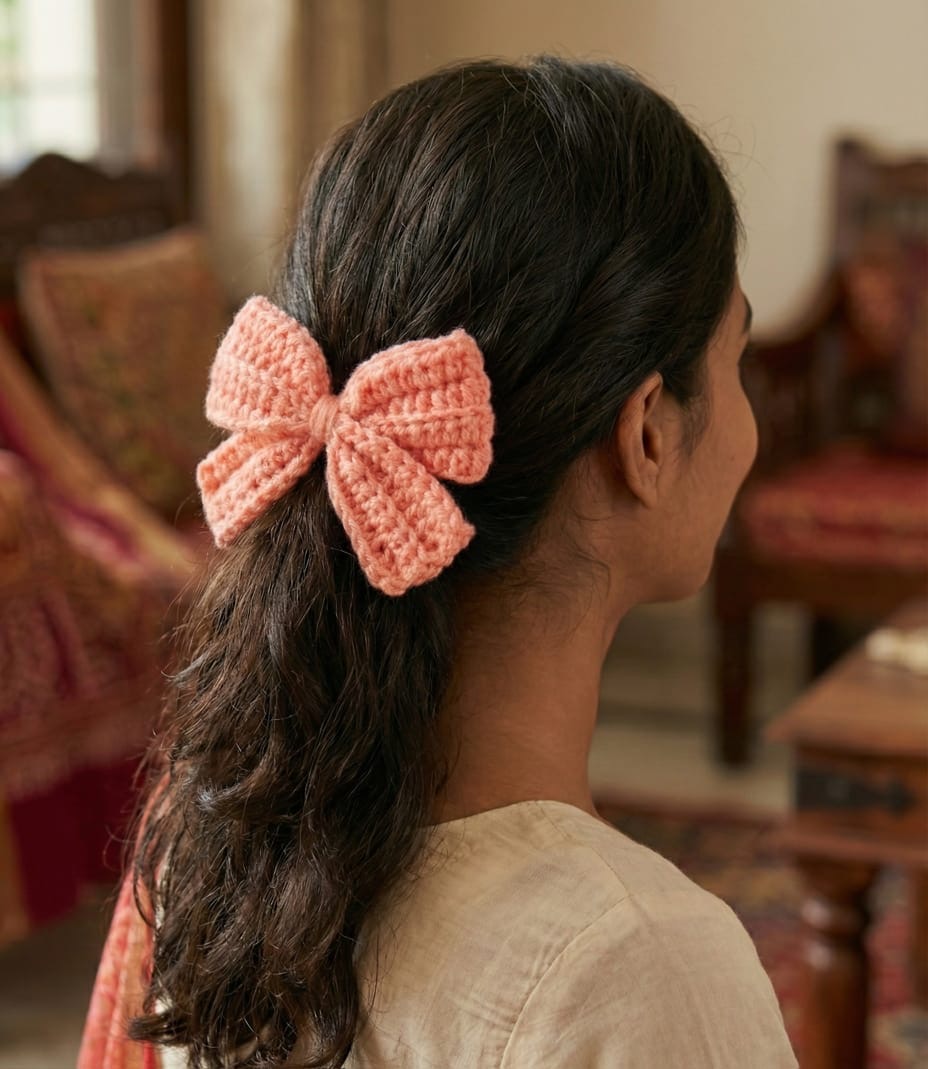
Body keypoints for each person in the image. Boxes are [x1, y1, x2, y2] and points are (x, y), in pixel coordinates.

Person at [79, 56, 798, 1068]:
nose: (751, 427)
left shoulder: (209, 835)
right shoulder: (635, 969)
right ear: (645, 432)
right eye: (737, 361)